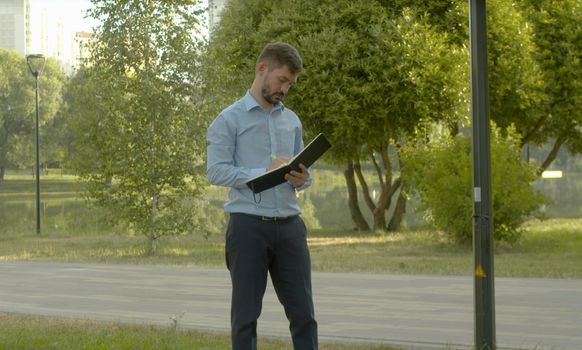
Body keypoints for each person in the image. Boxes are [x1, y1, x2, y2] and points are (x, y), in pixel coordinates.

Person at [207, 42, 318, 350]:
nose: (285, 88)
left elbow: (303, 176)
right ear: (262, 69)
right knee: (245, 318)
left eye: (290, 84)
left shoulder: (292, 121)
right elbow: (215, 171)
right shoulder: (228, 120)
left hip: (290, 227)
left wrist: (303, 178)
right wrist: (261, 171)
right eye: (281, 80)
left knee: (304, 315)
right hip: (247, 228)